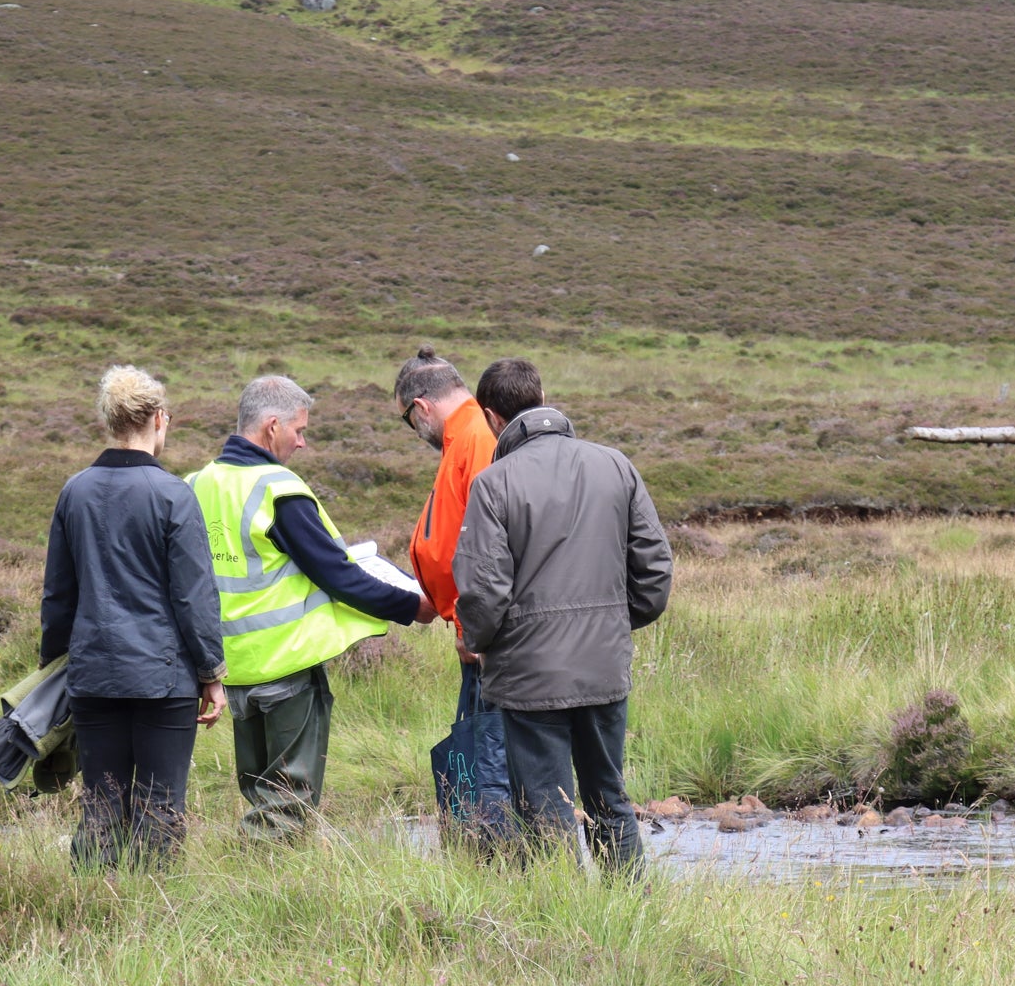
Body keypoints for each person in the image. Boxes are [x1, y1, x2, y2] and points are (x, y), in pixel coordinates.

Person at [453, 358, 673, 872]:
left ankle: (561, 933)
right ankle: (630, 920)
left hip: (529, 680)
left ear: (490, 418)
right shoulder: (616, 465)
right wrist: (611, 624)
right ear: (542, 396)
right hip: (602, 668)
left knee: (543, 811)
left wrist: (481, 641)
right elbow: (655, 572)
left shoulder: (492, 484)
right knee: (610, 802)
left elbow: (483, 593)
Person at [189, 374, 432, 837]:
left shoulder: (197, 483)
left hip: (229, 672)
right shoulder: (277, 489)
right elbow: (339, 576)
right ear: (272, 426)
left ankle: (248, 883)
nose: (302, 443)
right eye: (299, 431)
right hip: (286, 668)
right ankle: (270, 898)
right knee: (286, 801)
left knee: (258, 790)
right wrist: (412, 606)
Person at [40, 366, 226, 868]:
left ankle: (91, 911)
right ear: (159, 419)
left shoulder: (74, 491)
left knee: (100, 805)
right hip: (163, 680)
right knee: (161, 806)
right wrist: (211, 673)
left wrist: (54, 667)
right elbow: (194, 597)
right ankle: (151, 914)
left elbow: (58, 594)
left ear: (109, 420)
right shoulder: (173, 495)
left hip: (93, 675)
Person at [397, 346, 496, 718]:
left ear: (421, 407)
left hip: (483, 637)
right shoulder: (465, 436)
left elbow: (489, 543)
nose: (415, 431)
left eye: (407, 419)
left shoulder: (476, 438)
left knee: (489, 758)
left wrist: (472, 629)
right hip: (475, 629)